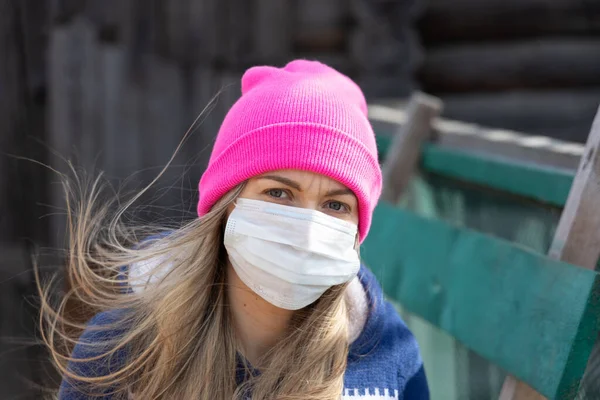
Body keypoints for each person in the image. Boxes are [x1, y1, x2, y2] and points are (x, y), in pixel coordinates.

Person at [45, 59, 429, 399]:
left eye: (335, 205)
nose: (309, 227)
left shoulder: (391, 358)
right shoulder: (123, 349)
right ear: (226, 204)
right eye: (279, 192)